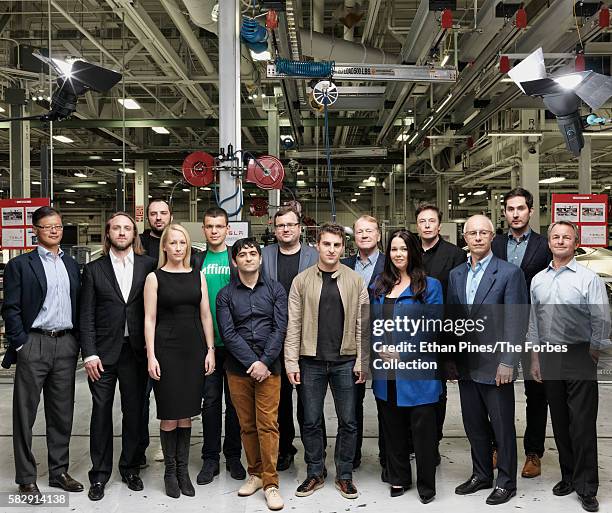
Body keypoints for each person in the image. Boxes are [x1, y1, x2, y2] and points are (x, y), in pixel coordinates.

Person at [1, 206, 83, 503]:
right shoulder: (21, 265)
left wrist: (76, 343)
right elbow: (10, 308)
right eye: (47, 226)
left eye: (58, 226)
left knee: (62, 414)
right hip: (33, 343)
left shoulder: (72, 265)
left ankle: (59, 471)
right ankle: (26, 479)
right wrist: (21, 344)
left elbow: (79, 303)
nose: (54, 231)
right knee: (25, 414)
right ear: (35, 229)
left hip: (65, 344)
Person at [528, 221, 610, 513]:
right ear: (549, 243)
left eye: (567, 237)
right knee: (560, 422)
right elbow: (534, 322)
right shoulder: (538, 280)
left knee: (582, 423)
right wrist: (536, 357)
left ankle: (587, 486)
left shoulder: (589, 278)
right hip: (549, 355)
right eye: (555, 237)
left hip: (579, 354)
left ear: (575, 243)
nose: (560, 241)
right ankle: (568, 477)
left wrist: (595, 351)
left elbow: (601, 318)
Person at [447, 215, 528, 506]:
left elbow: (516, 321)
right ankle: (481, 474)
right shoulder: (456, 274)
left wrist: (508, 361)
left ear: (493, 236)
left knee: (502, 426)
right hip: (466, 364)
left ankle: (506, 482)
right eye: (472, 233)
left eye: (484, 232)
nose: (478, 237)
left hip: (496, 365)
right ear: (464, 238)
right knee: (474, 424)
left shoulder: (508, 273)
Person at [285, 223, 369, 500]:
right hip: (311, 361)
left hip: (346, 361)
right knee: (310, 420)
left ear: (343, 248)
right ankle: (315, 472)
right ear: (317, 246)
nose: (331, 249)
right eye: (326, 244)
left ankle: (344, 475)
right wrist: (291, 362)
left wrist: (362, 360)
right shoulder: (301, 281)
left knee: (348, 421)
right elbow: (293, 324)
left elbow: (363, 323)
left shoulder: (355, 280)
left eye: (337, 245)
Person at [80, 212, 157, 501]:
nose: (122, 232)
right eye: (117, 228)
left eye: (128, 228)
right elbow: (85, 314)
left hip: (135, 352)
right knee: (101, 412)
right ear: (108, 233)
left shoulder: (148, 266)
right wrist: (89, 353)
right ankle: (99, 475)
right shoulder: (94, 269)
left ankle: (130, 468)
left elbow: (154, 312)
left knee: (134, 412)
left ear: (134, 234)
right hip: (102, 354)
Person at [144, 224, 215, 498]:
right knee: (169, 414)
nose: (177, 247)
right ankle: (170, 472)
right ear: (164, 246)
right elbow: (149, 319)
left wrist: (210, 349)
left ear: (187, 247)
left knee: (186, 413)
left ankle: (184, 471)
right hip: (166, 349)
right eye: (172, 243)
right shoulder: (155, 278)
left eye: (182, 243)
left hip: (194, 349)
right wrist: (151, 355)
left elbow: (206, 315)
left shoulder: (198, 276)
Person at [371, 230, 442, 503]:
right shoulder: (381, 284)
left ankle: (426, 485)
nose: (398, 254)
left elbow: (433, 327)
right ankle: (398, 478)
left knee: (423, 432)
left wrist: (405, 352)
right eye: (393, 249)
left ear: (413, 251)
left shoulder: (430, 286)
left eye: (403, 249)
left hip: (418, 371)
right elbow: (373, 322)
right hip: (386, 370)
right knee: (392, 427)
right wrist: (379, 346)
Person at [217, 238, 288, 511]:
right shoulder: (224, 295)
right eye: (242, 255)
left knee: (268, 425)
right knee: (246, 425)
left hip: (270, 368)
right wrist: (252, 363)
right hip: (238, 369)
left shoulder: (275, 290)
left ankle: (271, 483)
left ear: (260, 258)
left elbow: (279, 328)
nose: (248, 258)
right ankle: (255, 474)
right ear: (234, 261)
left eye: (252, 253)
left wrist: (264, 362)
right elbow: (229, 334)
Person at [491, 187, 552, 478]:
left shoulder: (543, 245)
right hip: (499, 327)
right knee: (497, 388)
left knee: (536, 391)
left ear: (530, 210)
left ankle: (533, 452)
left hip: (532, 328)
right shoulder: (495, 243)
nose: (515, 214)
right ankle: (498, 446)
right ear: (504, 212)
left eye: (521, 208)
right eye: (510, 209)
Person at [261, 205, 318, 471]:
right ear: (275, 229)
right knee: (279, 400)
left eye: (291, 225)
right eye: (281, 225)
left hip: (307, 337)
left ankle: (314, 452)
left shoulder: (314, 255)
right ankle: (284, 449)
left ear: (299, 228)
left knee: (309, 401)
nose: (286, 229)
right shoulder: (264, 255)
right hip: (274, 338)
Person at [192, 207, 245, 484]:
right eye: (209, 226)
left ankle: (233, 456)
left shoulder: (235, 259)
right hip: (206, 345)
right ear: (204, 229)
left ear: (228, 230)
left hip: (234, 343)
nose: (214, 230)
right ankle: (210, 458)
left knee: (235, 404)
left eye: (219, 226)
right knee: (210, 402)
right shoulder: (196, 260)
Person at [415, 202, 465, 465]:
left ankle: (432, 442)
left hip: (441, 334)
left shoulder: (454, 254)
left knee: (437, 390)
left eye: (431, 221)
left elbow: (456, 298)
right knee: (414, 385)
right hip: (411, 332)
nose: (426, 225)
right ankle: (415, 441)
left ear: (439, 224)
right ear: (417, 225)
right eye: (422, 221)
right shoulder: (410, 251)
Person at [340, 215, 385, 471]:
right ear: (354, 237)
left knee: (387, 403)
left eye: (370, 231)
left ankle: (387, 454)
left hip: (382, 342)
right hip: (352, 343)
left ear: (378, 235)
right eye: (360, 231)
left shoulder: (391, 264)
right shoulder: (344, 265)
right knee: (351, 404)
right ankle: (351, 455)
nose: (365, 235)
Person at [138, 198, 173, 466]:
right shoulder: (138, 244)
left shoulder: (177, 241)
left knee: (170, 394)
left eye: (163, 213)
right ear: (147, 216)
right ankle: (139, 449)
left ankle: (167, 446)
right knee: (140, 397)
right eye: (153, 213)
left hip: (172, 333)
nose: (158, 217)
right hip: (144, 332)